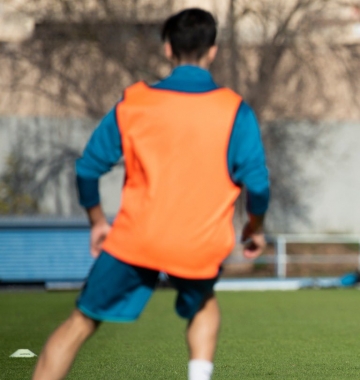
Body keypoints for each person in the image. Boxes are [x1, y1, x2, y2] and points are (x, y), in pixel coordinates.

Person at [32, 8, 270, 380]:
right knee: (203, 304)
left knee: (80, 322)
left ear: (167, 49)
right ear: (213, 51)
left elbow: (87, 169)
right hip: (198, 243)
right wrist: (255, 227)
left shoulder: (134, 104)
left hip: (136, 239)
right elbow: (258, 185)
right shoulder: (235, 111)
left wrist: (97, 222)